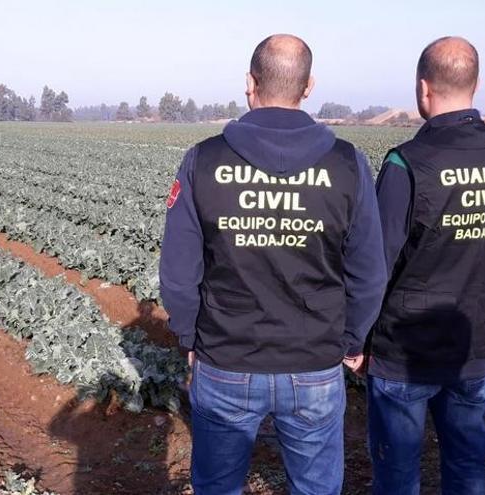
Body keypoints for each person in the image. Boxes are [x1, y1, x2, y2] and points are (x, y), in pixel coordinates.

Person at [160, 34, 386, 495]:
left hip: (225, 359)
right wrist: (351, 338)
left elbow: (179, 272)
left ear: (250, 82)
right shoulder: (347, 164)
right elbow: (369, 272)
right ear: (308, 87)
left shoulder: (204, 160)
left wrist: (190, 334)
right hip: (316, 363)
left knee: (218, 487)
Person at [366, 36, 485, 494]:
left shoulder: (407, 163)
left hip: (408, 348)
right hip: (474, 342)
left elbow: (378, 261)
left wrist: (356, 336)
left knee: (398, 475)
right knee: (467, 467)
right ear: (476, 86)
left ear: (423, 89)